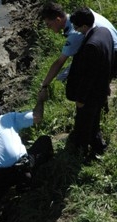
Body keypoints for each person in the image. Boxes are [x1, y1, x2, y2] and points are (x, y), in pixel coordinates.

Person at [38, 2, 117, 102]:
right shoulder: (82, 15)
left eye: (48, 24)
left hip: (112, 57)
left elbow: (60, 62)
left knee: (65, 77)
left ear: (58, 19)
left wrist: (45, 85)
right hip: (109, 46)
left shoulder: (75, 33)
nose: (48, 28)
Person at [65, 8, 114, 158]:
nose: (75, 30)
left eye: (77, 27)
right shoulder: (104, 31)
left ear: (84, 26)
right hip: (101, 87)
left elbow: (88, 78)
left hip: (91, 94)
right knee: (94, 121)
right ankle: (98, 146)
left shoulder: (91, 46)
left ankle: (81, 152)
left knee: (84, 123)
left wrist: (80, 99)